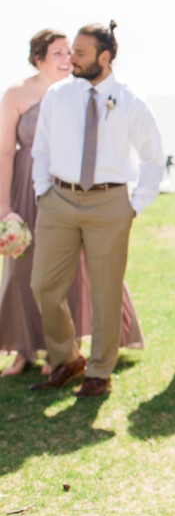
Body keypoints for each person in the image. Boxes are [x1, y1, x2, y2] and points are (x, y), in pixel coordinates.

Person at [28, 22, 165, 397]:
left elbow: (154, 158)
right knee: (44, 286)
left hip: (110, 203)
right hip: (58, 200)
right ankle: (67, 358)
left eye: (81, 53)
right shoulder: (57, 95)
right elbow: (41, 148)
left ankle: (99, 372)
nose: (71, 58)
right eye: (71, 50)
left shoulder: (131, 100)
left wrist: (132, 206)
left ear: (105, 58)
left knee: (106, 292)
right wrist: (43, 193)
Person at [0, 30, 143, 377]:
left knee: (76, 271)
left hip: (74, 190)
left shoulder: (79, 91)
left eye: (71, 52)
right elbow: (5, 150)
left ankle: (63, 351)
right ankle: (23, 349)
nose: (67, 58)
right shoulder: (18, 93)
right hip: (25, 186)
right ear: (39, 58)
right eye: (58, 52)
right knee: (23, 271)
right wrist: (5, 207)